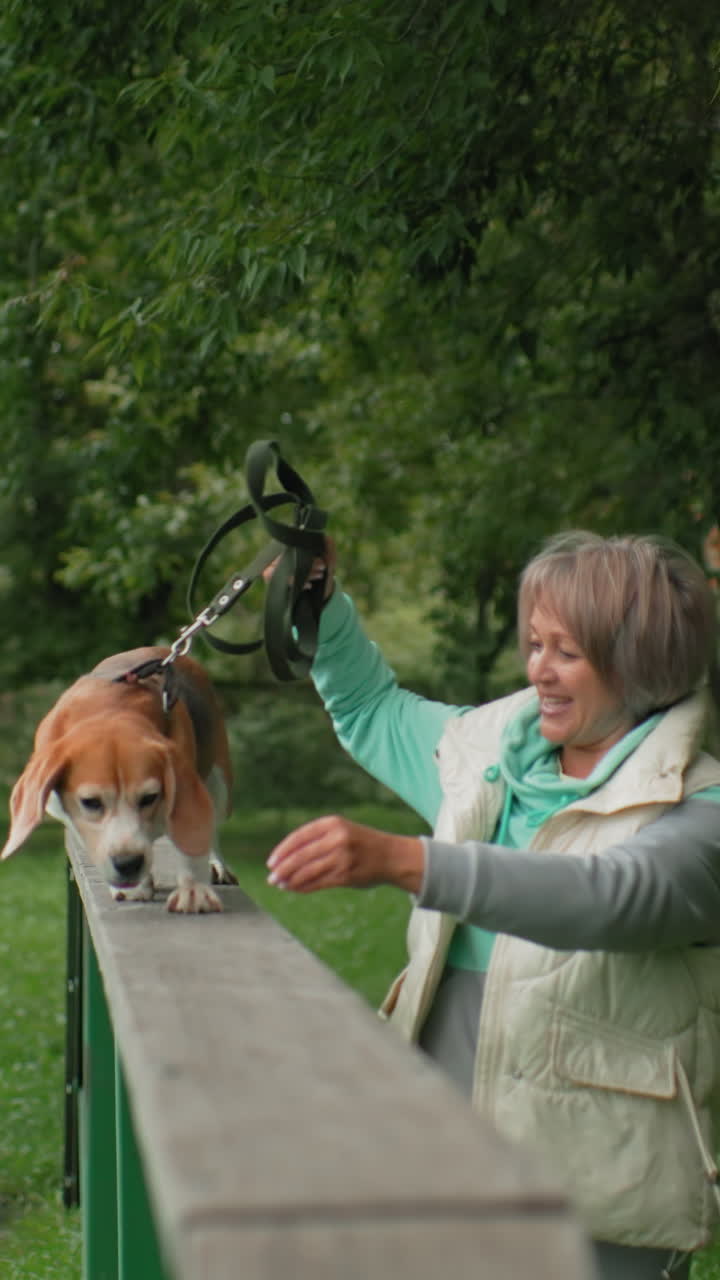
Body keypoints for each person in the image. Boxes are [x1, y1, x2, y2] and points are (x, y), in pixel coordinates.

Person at [266, 530, 720, 1280]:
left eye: (566, 651)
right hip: (440, 1163)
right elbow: (374, 708)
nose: (539, 668)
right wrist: (318, 606)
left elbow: (609, 899)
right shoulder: (482, 760)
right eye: (535, 643)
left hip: (597, 1197)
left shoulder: (700, 811)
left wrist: (409, 862)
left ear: (639, 660)